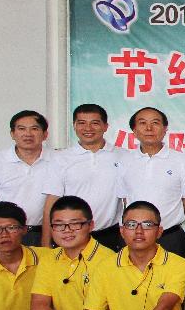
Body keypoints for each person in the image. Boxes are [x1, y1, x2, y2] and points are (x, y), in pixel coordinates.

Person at [41, 104, 124, 251]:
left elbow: (128, 199)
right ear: (74, 126)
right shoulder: (61, 158)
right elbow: (51, 204)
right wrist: (46, 243)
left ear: (106, 126)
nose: (88, 128)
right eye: (82, 123)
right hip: (70, 235)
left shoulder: (123, 156)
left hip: (109, 235)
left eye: (95, 123)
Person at [116, 107, 185, 259]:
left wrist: (166, 222)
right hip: (134, 238)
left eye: (155, 123)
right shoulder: (124, 160)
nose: (149, 128)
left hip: (170, 236)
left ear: (165, 129)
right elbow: (125, 199)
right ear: (134, 130)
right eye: (142, 123)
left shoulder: (180, 160)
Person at [0, 110, 55, 246]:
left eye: (34, 128)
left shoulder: (58, 160)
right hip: (9, 234)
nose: (28, 134)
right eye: (21, 129)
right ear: (12, 134)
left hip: (48, 232)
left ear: (45, 134)